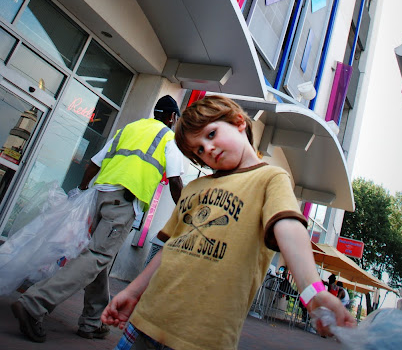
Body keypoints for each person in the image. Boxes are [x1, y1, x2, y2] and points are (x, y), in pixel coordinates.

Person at [102, 95, 356, 350]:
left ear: (238, 122)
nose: (208, 149)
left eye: (211, 134)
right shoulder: (194, 187)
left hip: (203, 340)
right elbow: (169, 249)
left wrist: (313, 291)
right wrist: (132, 292)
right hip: (145, 321)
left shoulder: (270, 178)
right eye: (199, 150)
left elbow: (289, 228)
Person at [12, 95, 184, 343]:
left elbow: (94, 162)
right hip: (123, 202)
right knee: (96, 256)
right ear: (172, 117)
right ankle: (34, 303)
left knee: (99, 257)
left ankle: (92, 322)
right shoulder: (168, 138)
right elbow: (175, 180)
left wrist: (82, 188)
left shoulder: (129, 129)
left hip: (99, 197)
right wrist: (186, 212)